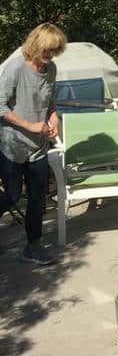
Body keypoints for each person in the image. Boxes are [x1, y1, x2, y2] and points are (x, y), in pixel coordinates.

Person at [0, 23, 66, 265]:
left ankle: (33, 247)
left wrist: (53, 118)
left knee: (38, 197)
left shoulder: (51, 69)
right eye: (47, 50)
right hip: (11, 145)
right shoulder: (15, 69)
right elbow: (0, 106)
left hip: (38, 146)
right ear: (35, 45)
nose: (50, 55)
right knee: (13, 195)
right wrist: (29, 126)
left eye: (55, 51)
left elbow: (49, 101)